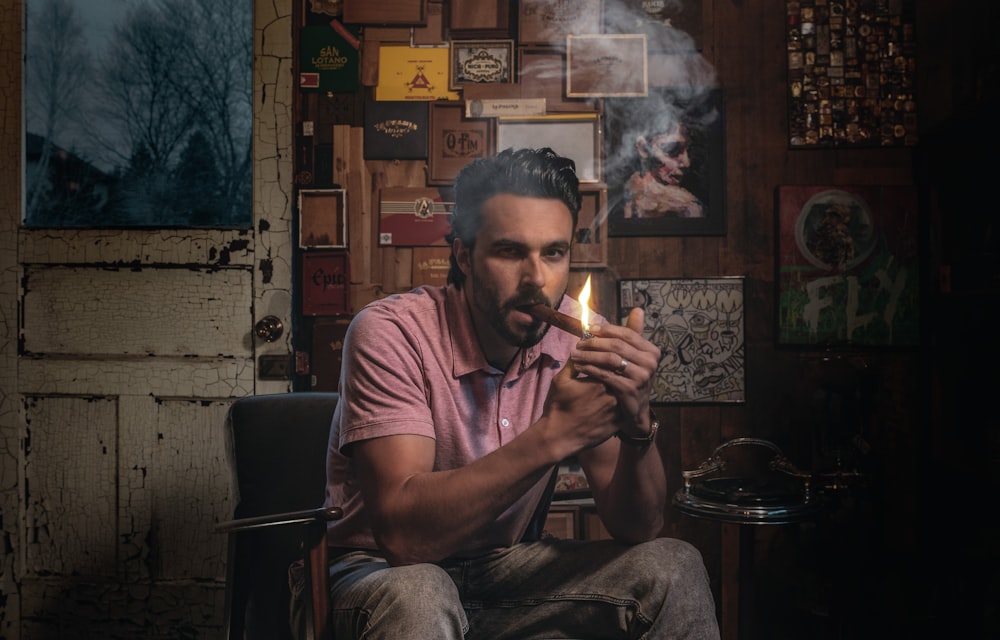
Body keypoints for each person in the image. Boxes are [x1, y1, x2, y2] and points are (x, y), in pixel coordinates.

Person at [291, 147, 720, 640]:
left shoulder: (583, 341)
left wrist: (638, 424)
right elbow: (403, 541)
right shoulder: (392, 333)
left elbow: (637, 527)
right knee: (420, 592)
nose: (537, 279)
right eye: (511, 251)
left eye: (553, 253)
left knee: (673, 564)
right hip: (372, 574)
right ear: (463, 256)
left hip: (504, 572)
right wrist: (554, 436)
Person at [623, 121, 704, 219]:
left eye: (688, 149)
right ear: (643, 149)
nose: (686, 163)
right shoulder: (627, 205)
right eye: (674, 149)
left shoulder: (689, 205)